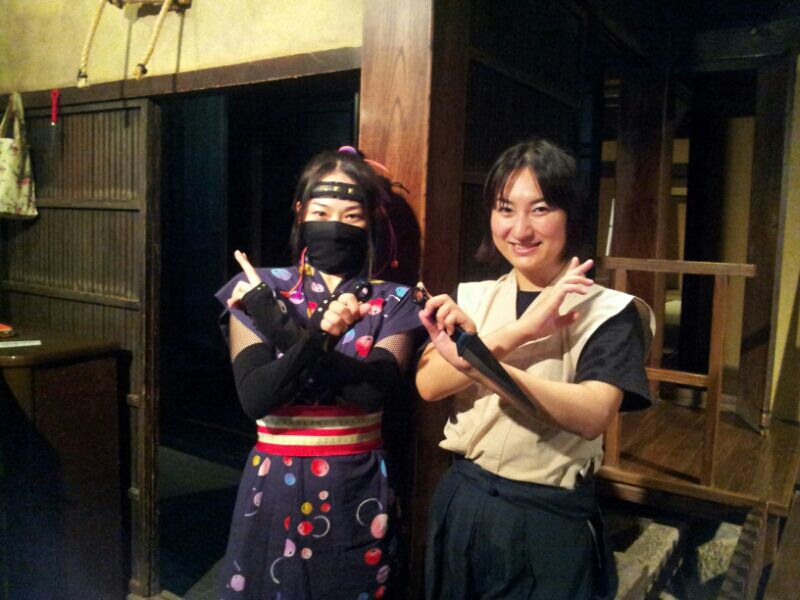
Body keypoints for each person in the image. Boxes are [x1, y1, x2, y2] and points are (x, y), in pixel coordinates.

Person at [415, 138, 654, 600]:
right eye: (505, 209)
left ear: (571, 215)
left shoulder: (611, 311)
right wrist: (519, 332)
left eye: (540, 209)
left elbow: (592, 414)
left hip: (547, 516)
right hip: (464, 500)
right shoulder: (474, 297)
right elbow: (428, 384)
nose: (520, 229)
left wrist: (480, 364)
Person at [215, 147, 421, 599]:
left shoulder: (396, 300)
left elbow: (371, 393)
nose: (336, 224)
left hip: (357, 484)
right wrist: (319, 337)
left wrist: (278, 326)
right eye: (322, 212)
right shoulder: (257, 287)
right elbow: (256, 397)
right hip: (273, 483)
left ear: (371, 223)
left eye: (352, 215)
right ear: (300, 213)